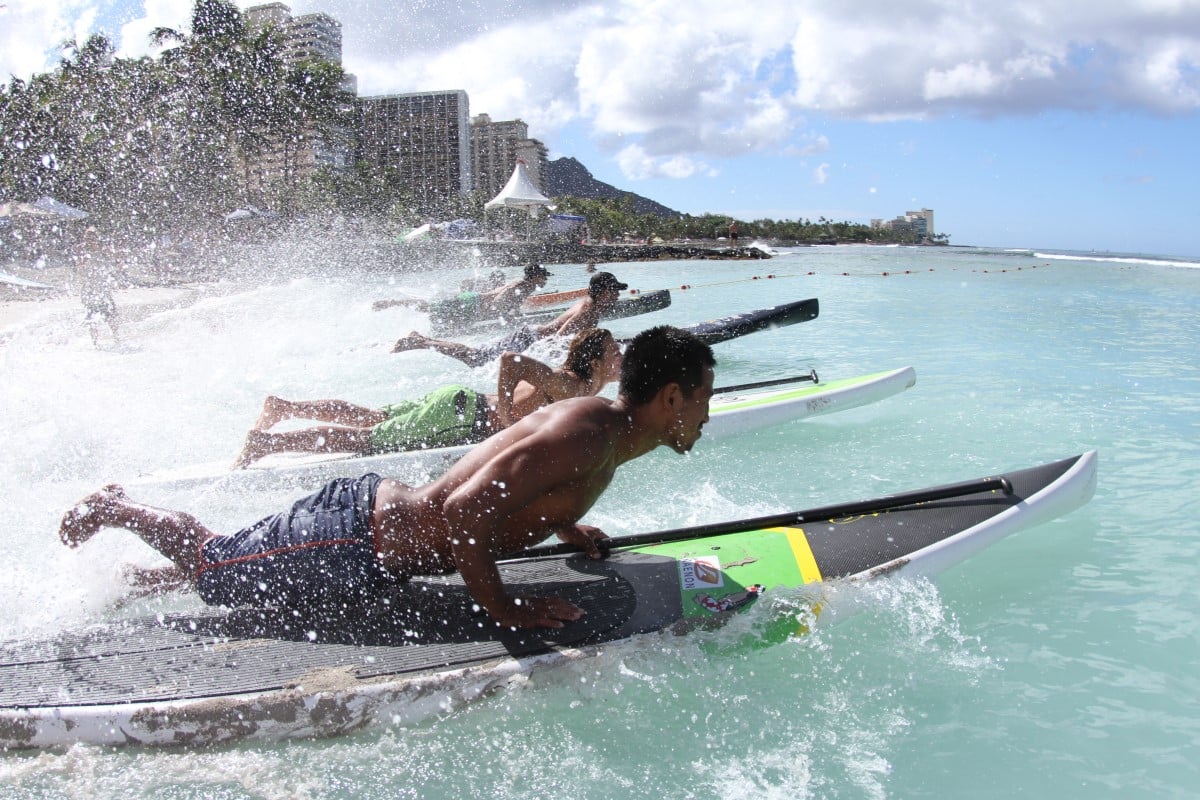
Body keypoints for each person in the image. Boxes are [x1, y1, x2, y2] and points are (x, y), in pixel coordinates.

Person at [59, 325, 716, 629]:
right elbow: (463, 517)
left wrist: (562, 524)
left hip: (371, 539)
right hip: (356, 538)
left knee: (248, 577)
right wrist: (505, 608)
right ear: (669, 400)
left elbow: (512, 482)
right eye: (704, 399)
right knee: (216, 565)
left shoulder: (594, 428)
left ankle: (140, 580)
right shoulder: (588, 437)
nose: (708, 416)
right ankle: (117, 506)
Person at [231, 328, 622, 468]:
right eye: (614, 353)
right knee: (368, 440)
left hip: (456, 402)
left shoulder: (588, 386)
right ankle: (267, 443)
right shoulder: (572, 384)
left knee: (372, 416)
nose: (620, 358)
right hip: (462, 417)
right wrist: (506, 418)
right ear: (597, 360)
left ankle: (284, 408)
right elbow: (510, 361)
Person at [391, 271, 629, 367]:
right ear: (603, 292)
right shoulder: (588, 311)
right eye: (614, 290)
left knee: (476, 355)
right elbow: (559, 338)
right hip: (528, 338)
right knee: (475, 357)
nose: (617, 295)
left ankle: (424, 340)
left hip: (529, 335)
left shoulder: (590, 306)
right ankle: (421, 341)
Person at [372, 264, 551, 322]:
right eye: (544, 277)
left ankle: (392, 303)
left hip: (470, 301)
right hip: (471, 305)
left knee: (430, 307)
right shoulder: (524, 286)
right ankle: (391, 303)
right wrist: (506, 317)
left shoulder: (521, 283)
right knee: (429, 308)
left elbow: (507, 301)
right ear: (535, 277)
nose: (545, 280)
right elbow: (499, 301)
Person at [75, 227, 120, 347]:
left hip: (102, 287)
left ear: (97, 238)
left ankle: (117, 339)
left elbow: (116, 260)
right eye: (87, 237)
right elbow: (79, 269)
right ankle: (94, 343)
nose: (89, 240)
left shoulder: (103, 249)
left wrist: (103, 251)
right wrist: (83, 261)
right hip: (89, 288)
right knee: (91, 316)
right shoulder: (81, 249)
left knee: (111, 314)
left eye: (92, 237)